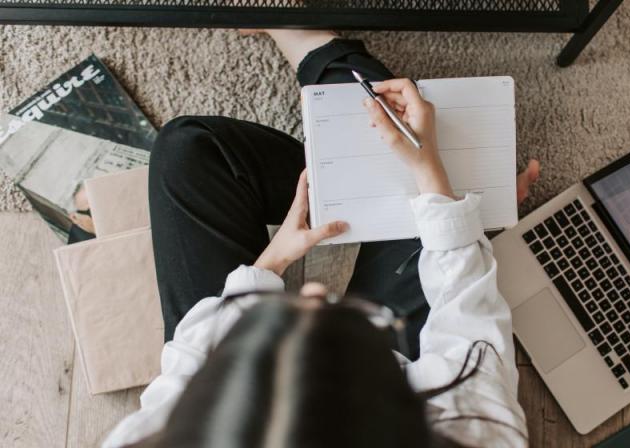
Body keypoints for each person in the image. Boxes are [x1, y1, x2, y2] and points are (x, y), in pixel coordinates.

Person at [102, 29, 541, 448]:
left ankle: (337, 147)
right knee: (440, 200)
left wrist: (270, 264)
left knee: (188, 149)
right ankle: (309, 40)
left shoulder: (153, 438)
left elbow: (189, 363)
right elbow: (469, 321)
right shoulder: (476, 430)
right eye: (339, 324)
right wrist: (436, 180)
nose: (311, 288)